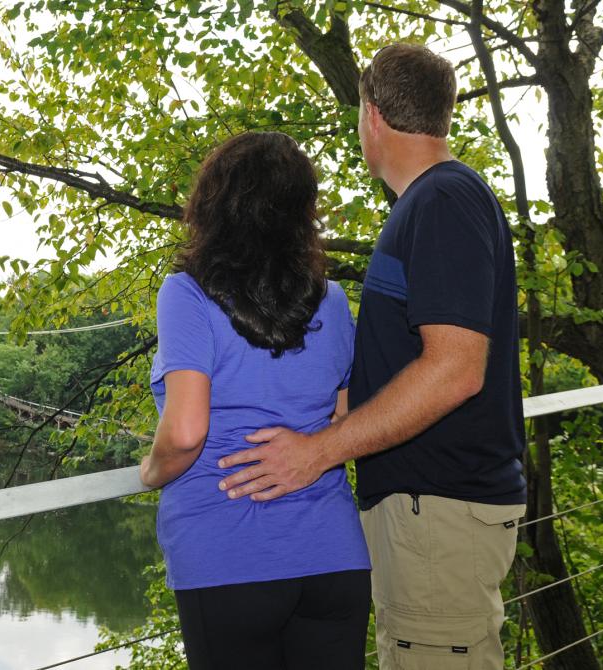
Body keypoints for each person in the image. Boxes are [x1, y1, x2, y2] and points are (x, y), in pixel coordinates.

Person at [217, 44, 528, 670]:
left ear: (372, 115)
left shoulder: (443, 201)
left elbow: (455, 369)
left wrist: (318, 453)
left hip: (438, 514)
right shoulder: (430, 203)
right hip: (427, 517)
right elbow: (414, 360)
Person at [139, 131, 371, 670]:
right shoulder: (332, 300)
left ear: (214, 203)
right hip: (333, 559)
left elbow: (186, 432)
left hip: (227, 557)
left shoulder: (186, 292)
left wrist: (151, 472)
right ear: (301, 213)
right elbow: (347, 419)